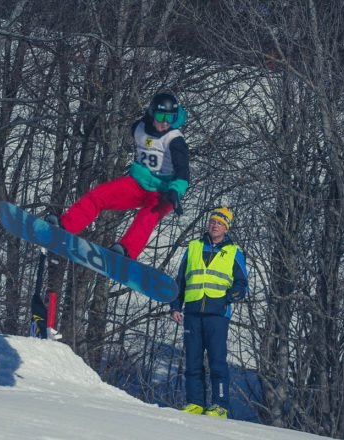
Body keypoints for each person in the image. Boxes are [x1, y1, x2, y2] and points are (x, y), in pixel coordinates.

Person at [59, 92, 190, 260]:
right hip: (138, 184)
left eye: (170, 118)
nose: (165, 122)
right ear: (152, 113)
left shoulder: (175, 139)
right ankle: (67, 225)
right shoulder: (138, 128)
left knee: (148, 216)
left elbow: (183, 171)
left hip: (164, 192)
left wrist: (175, 191)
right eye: (161, 116)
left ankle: (126, 251)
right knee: (101, 194)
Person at [170, 207, 249, 418]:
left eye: (220, 223)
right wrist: (175, 306)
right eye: (213, 221)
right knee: (193, 360)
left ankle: (219, 405)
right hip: (193, 312)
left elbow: (242, 285)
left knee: (217, 361)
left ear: (226, 228)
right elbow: (181, 280)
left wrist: (228, 298)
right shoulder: (194, 247)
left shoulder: (234, 251)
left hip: (217, 315)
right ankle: (195, 402)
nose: (215, 225)